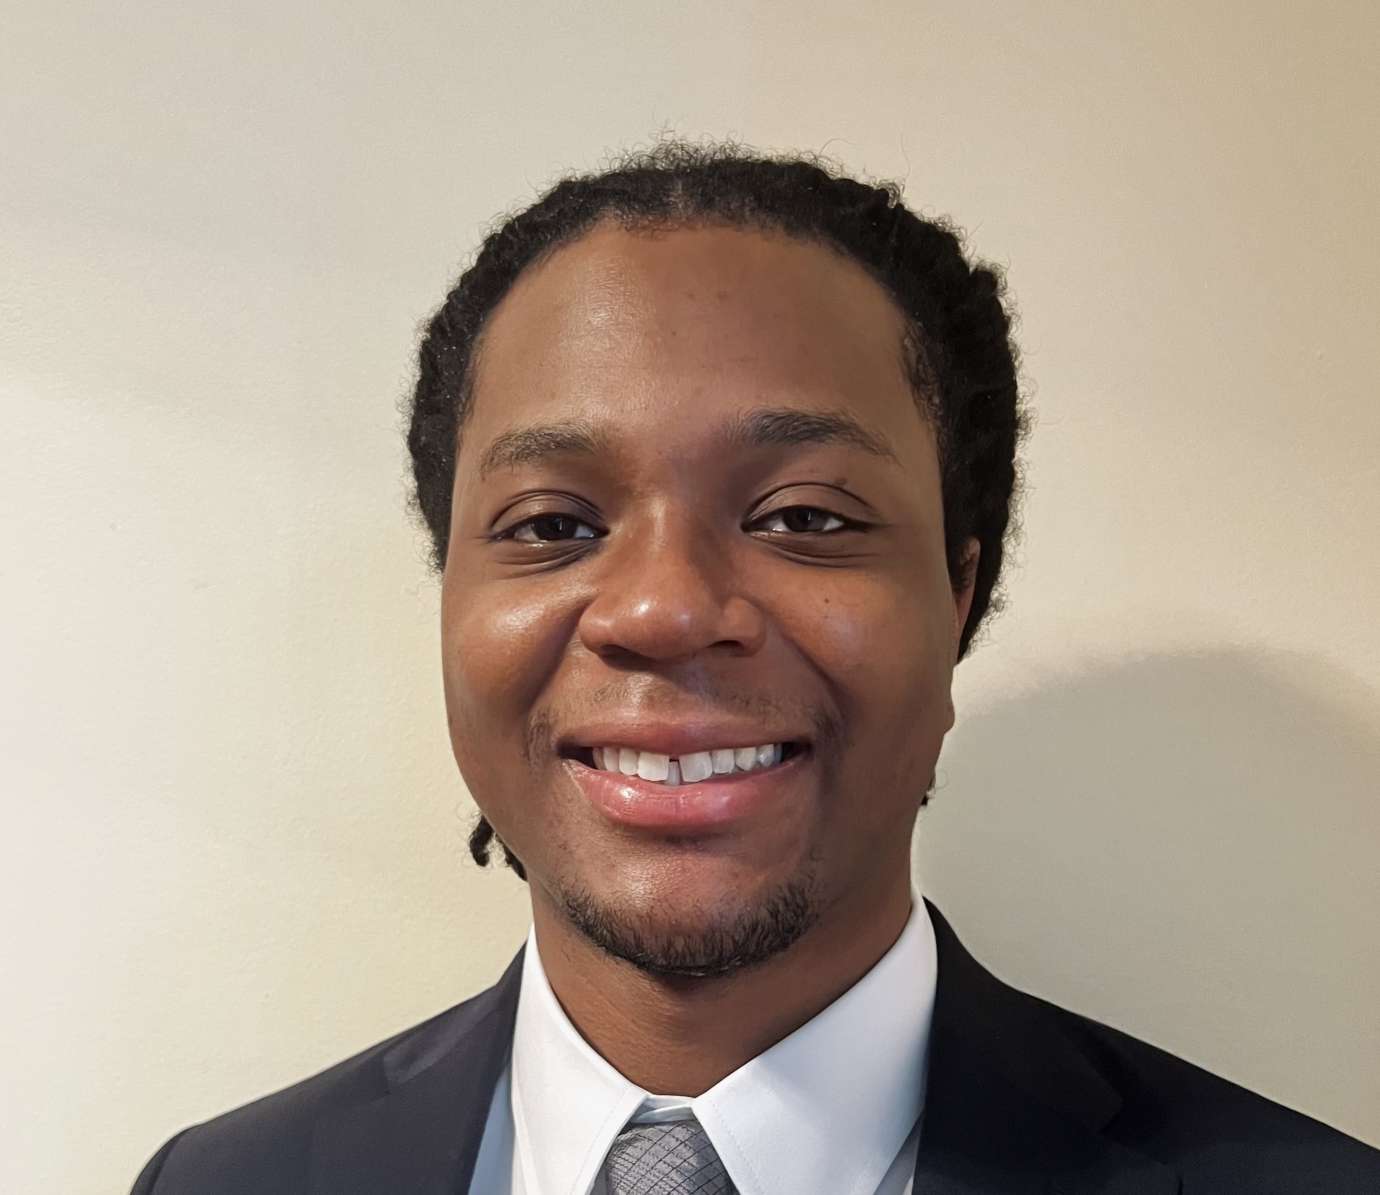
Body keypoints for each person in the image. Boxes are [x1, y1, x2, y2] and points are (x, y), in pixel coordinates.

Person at [131, 140, 1380, 1193]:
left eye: (802, 517)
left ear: (959, 593)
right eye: (554, 525)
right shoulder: (222, 1179)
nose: (665, 610)